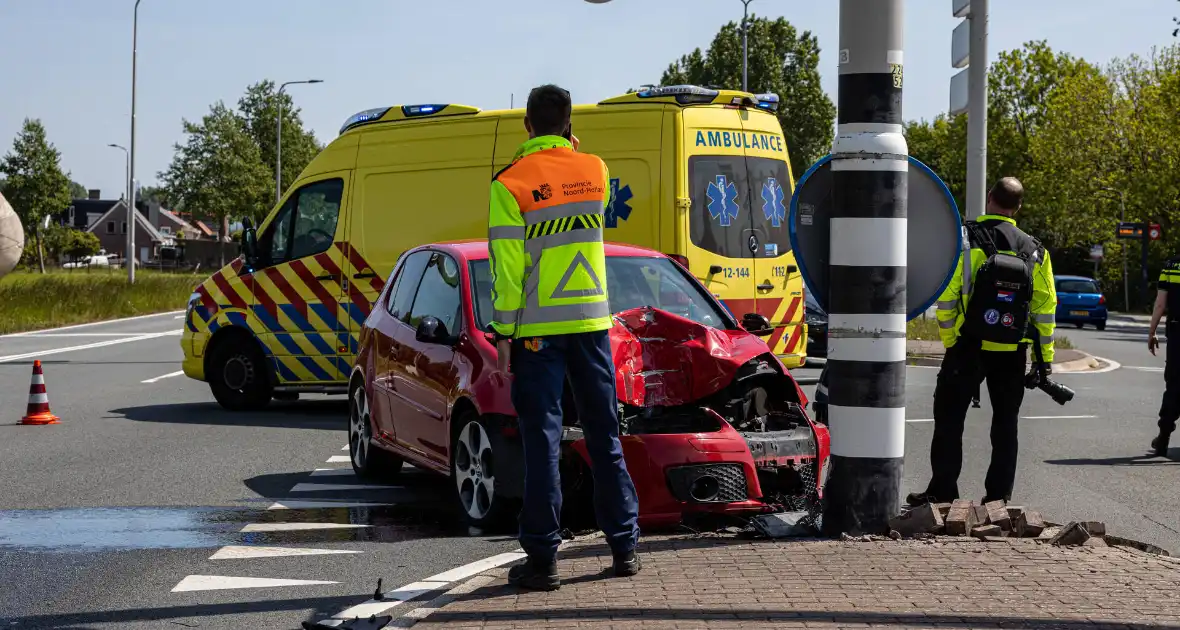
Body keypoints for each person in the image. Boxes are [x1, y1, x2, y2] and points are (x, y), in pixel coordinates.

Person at [487, 84, 640, 591]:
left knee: (543, 443)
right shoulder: (595, 170)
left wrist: (504, 332)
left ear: (526, 126)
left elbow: (508, 272)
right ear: (570, 127)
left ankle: (543, 560)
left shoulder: (509, 183)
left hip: (537, 333)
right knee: (605, 435)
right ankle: (624, 549)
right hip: (592, 325)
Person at [908, 177, 1057, 505]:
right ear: (1018, 208)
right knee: (1005, 426)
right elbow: (1044, 309)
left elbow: (947, 295)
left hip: (967, 346)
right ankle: (998, 499)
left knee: (949, 420)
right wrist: (1043, 358)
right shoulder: (1035, 251)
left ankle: (942, 491)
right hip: (1012, 351)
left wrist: (951, 339)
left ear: (989, 198)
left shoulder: (964, 238)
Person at [1147, 257, 1180, 456]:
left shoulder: (1171, 266)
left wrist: (1152, 332)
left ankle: (1164, 437)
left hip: (1178, 334)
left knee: (1174, 386)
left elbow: (1160, 304)